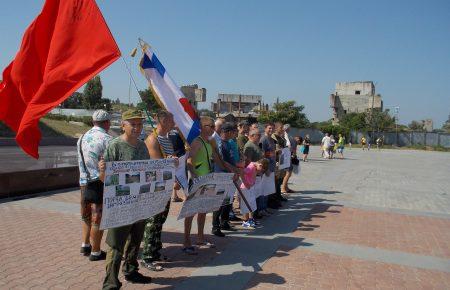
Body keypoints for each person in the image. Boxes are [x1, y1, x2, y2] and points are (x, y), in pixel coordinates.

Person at [100, 109, 152, 289]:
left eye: (140, 124)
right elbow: (103, 178)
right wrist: (102, 171)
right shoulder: (115, 146)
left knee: (136, 240)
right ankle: (110, 283)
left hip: (139, 203)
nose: (137, 128)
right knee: (115, 245)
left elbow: (148, 172)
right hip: (120, 204)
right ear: (123, 125)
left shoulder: (143, 146)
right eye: (133, 124)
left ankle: (131, 270)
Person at [184, 116, 233, 254]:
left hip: (208, 179)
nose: (212, 129)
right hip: (198, 181)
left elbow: (217, 159)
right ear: (201, 127)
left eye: (213, 126)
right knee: (190, 212)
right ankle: (187, 241)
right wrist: (194, 176)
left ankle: (200, 237)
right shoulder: (197, 142)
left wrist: (230, 170)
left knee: (204, 210)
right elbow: (189, 161)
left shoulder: (209, 142)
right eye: (209, 126)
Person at [141, 111, 180, 272]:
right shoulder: (152, 139)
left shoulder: (167, 138)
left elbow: (169, 163)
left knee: (160, 221)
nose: (174, 122)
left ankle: (156, 251)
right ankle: (147, 256)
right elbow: (155, 165)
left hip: (165, 186)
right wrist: (170, 163)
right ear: (163, 121)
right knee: (152, 222)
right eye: (171, 120)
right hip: (154, 188)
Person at [77, 109, 112, 261]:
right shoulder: (107, 139)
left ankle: (85, 244)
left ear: (93, 122)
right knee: (97, 218)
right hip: (99, 182)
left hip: (84, 182)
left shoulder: (82, 137)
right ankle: (96, 252)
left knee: (85, 215)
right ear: (107, 122)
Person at [212, 122, 240, 236]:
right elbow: (223, 161)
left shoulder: (228, 143)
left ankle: (224, 222)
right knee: (219, 202)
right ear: (228, 132)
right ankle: (215, 226)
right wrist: (234, 170)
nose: (234, 134)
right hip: (222, 175)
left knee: (228, 201)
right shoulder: (219, 144)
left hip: (230, 175)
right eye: (233, 132)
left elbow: (232, 158)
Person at [240, 158, 269, 229]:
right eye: (261, 170)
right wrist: (246, 183)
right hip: (246, 188)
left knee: (251, 204)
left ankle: (250, 219)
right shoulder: (251, 167)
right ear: (260, 165)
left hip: (250, 187)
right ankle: (245, 221)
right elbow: (242, 172)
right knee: (246, 204)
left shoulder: (254, 165)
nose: (260, 172)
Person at [260, 123, 280, 209]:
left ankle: (267, 205)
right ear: (265, 129)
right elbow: (262, 154)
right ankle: (263, 207)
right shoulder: (263, 139)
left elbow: (272, 152)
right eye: (269, 128)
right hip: (266, 167)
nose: (271, 130)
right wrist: (266, 168)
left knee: (269, 188)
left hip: (272, 166)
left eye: (272, 128)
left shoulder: (271, 139)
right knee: (264, 189)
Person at [272, 122, 288, 202]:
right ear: (276, 128)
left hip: (283, 159)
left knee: (281, 178)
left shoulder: (281, 138)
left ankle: (279, 195)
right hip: (276, 160)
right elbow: (273, 150)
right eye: (281, 127)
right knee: (276, 180)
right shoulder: (273, 137)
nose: (283, 129)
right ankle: (275, 197)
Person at [281, 124, 296, 193]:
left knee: (288, 171)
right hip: (285, 153)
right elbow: (286, 145)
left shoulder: (286, 134)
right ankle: (283, 187)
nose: (289, 129)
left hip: (287, 153)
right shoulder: (283, 134)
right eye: (289, 128)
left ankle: (286, 187)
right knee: (288, 172)